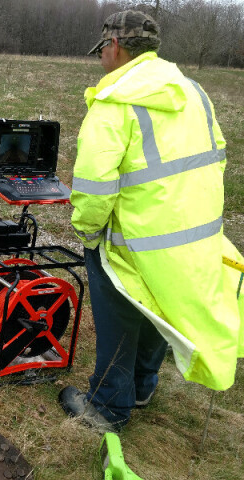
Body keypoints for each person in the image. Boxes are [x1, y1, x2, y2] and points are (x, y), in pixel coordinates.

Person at [60, 10, 244, 433]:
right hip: (192, 238)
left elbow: (93, 188)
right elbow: (216, 154)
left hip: (133, 243)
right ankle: (143, 387)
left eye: (102, 50)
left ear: (115, 47)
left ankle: (107, 408)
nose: (101, 59)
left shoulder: (112, 102)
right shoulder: (193, 91)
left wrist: (88, 233)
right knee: (158, 307)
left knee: (118, 318)